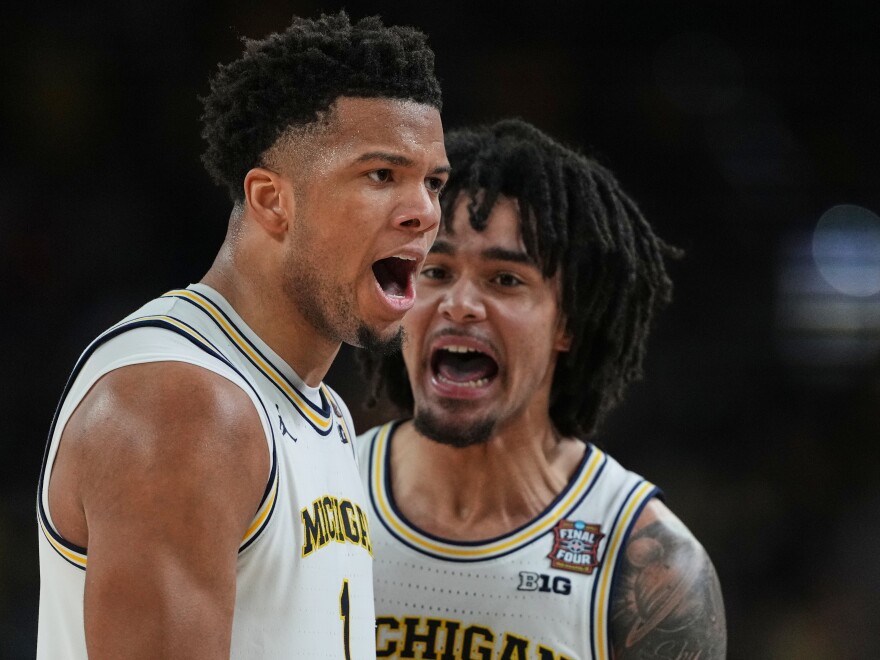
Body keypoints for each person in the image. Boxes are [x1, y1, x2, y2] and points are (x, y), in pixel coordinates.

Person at [36, 11, 449, 659]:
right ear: (271, 200)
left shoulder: (319, 408)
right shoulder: (184, 404)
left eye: (434, 182)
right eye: (381, 175)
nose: (424, 211)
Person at [356, 119, 726, 659]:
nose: (460, 304)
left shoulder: (649, 563)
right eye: (435, 271)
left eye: (505, 279)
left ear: (567, 325)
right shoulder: (314, 491)